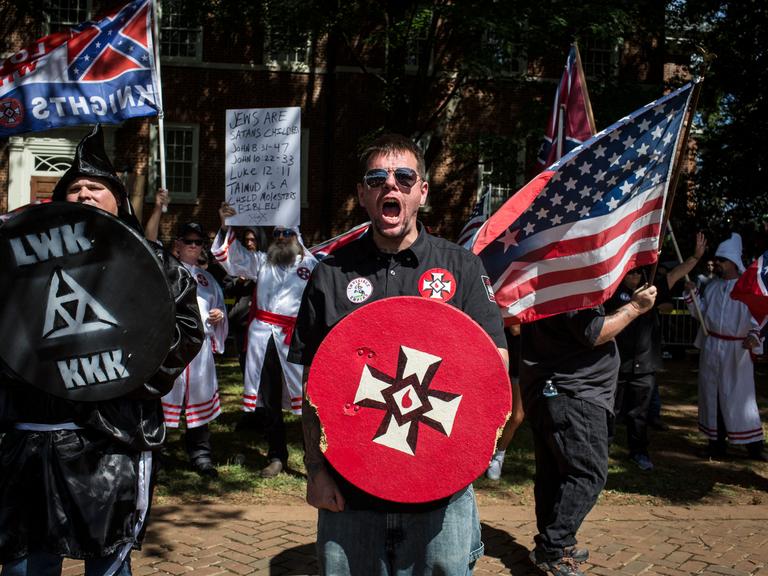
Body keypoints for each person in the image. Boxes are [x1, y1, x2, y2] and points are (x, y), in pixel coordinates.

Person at [287, 133, 509, 575]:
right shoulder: (331, 275)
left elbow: (492, 369)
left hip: (440, 493)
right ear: (362, 195)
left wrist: (464, 455)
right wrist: (315, 469)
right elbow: (315, 387)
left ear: (422, 191)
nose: (392, 186)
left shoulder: (461, 268)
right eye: (377, 178)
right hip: (350, 491)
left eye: (404, 177)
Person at [0, 125, 203, 575]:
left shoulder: (156, 263)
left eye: (96, 187)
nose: (85, 194)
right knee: (25, 560)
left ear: (119, 201)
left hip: (109, 439)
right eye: (74, 188)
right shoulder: (16, 264)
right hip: (31, 438)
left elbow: (185, 331)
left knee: (108, 562)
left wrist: (122, 375)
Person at [521, 286, 656, 576]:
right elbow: (594, 332)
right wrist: (635, 308)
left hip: (554, 390)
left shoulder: (546, 277)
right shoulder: (570, 284)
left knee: (555, 473)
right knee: (588, 473)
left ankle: (553, 543)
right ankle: (554, 547)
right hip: (574, 393)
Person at [213, 213, 318, 478]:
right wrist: (227, 227)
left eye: (287, 234)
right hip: (264, 338)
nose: (281, 239)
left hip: (295, 338)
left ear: (297, 237)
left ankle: (312, 457)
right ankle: (276, 455)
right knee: (269, 397)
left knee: (307, 400)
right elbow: (233, 260)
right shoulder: (261, 262)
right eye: (277, 235)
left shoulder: (312, 265)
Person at [684, 233, 767, 461]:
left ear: (731, 260)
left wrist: (754, 335)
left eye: (721, 260)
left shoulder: (746, 288)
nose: (717, 264)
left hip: (736, 351)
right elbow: (701, 315)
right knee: (712, 396)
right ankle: (716, 444)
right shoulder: (712, 287)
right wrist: (692, 294)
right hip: (713, 347)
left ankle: (754, 447)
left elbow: (758, 316)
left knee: (740, 398)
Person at [161, 222, 228, 478]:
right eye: (188, 241)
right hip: (171, 347)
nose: (193, 246)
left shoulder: (208, 279)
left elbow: (219, 306)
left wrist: (219, 315)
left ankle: (200, 455)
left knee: (198, 398)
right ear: (177, 244)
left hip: (199, 351)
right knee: (164, 399)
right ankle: (159, 453)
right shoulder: (166, 271)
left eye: (198, 242)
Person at [486, 324, 525, 480]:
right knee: (491, 413)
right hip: (503, 361)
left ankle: (499, 454)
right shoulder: (507, 302)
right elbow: (515, 327)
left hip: (523, 364)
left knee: (517, 416)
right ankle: (484, 453)